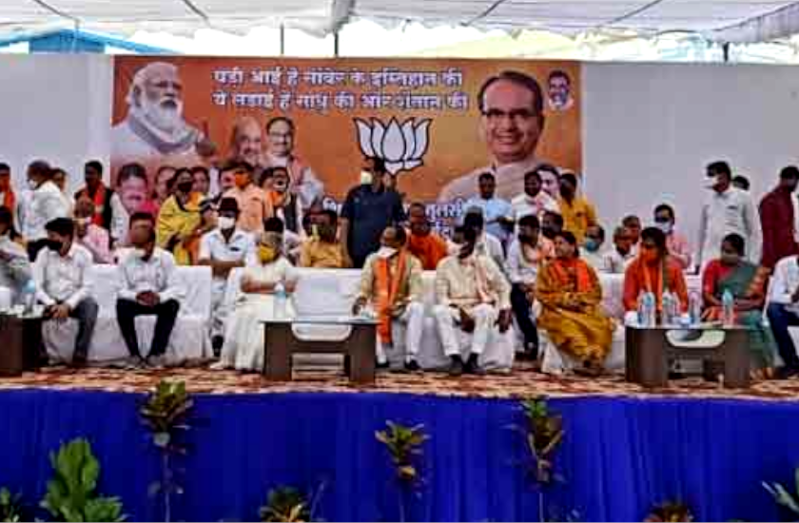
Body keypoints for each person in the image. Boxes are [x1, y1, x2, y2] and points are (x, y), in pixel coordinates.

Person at [439, 71, 550, 201]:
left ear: (540, 123)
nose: (508, 126)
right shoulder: (457, 193)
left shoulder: (561, 185)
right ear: (482, 122)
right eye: (496, 114)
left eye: (521, 114)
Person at [214, 230, 298, 372]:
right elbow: (245, 286)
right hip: (251, 299)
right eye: (259, 245)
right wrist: (274, 285)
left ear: (276, 248)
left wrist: (258, 286)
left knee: (264, 313)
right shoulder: (252, 263)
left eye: (265, 245)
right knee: (244, 313)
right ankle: (240, 360)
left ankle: (263, 361)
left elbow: (289, 288)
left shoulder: (284, 264)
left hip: (276, 301)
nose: (261, 248)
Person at [434, 226, 512, 376]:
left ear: (470, 243)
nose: (452, 245)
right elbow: (441, 296)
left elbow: (503, 287)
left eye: (458, 241)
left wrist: (505, 308)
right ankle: (455, 358)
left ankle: (473, 359)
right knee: (439, 311)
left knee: (486, 310)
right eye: (452, 241)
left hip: (478, 306)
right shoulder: (444, 264)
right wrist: (460, 311)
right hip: (455, 308)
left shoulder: (485, 262)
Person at [536, 231, 613, 376]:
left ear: (572, 246)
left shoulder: (585, 267)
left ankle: (596, 358)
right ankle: (587, 358)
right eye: (555, 243)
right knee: (567, 325)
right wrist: (566, 299)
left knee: (603, 324)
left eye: (561, 243)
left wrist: (580, 300)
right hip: (557, 310)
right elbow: (541, 293)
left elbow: (596, 292)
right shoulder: (547, 269)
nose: (557, 247)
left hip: (583, 308)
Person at [111, 61, 214, 167]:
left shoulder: (193, 140)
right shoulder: (115, 140)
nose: (171, 92)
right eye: (161, 85)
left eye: (177, 87)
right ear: (138, 93)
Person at [116, 213, 184, 367]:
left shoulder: (166, 257)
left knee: (172, 304)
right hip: (136, 300)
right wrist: (136, 296)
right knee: (121, 305)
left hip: (158, 301)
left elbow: (176, 287)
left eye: (142, 246)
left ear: (152, 243)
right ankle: (134, 354)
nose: (138, 250)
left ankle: (156, 353)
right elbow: (120, 289)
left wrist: (160, 297)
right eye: (136, 246)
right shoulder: (125, 258)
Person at [353, 226, 425, 371]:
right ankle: (381, 359)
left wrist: (399, 304)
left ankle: (411, 358)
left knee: (418, 308)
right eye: (382, 239)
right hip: (377, 306)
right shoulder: (373, 259)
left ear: (400, 242)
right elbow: (364, 285)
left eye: (388, 240)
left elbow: (416, 292)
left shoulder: (412, 262)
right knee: (361, 311)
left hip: (400, 307)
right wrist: (361, 298)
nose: (383, 243)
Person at [702, 233, 775, 375]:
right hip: (719, 307)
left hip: (745, 308)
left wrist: (745, 305)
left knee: (757, 319)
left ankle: (764, 366)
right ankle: (751, 367)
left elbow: (759, 300)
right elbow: (707, 295)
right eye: (723, 250)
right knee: (749, 320)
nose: (724, 254)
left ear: (740, 253)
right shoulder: (713, 266)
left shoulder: (751, 270)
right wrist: (725, 305)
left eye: (729, 251)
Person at [34, 217, 98, 367]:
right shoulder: (44, 253)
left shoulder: (84, 255)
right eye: (48, 236)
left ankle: (80, 355)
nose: (49, 240)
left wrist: (68, 305)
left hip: (74, 302)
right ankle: (41, 355)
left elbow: (87, 287)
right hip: (50, 301)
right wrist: (51, 304)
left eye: (53, 236)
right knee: (31, 308)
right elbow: (37, 286)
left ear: (67, 237)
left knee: (91, 306)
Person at [198, 197, 256, 353]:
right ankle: (213, 343)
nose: (225, 218)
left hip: (237, 285)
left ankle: (230, 344)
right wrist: (235, 264)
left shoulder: (248, 239)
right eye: (222, 214)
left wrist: (216, 264)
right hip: (212, 283)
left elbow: (249, 266)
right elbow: (203, 264)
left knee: (233, 308)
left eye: (229, 215)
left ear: (237, 216)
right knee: (210, 306)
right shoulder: (208, 238)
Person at [340, 157, 405, 269]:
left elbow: (401, 227)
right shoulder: (354, 193)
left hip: (384, 258)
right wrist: (345, 254)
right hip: (356, 257)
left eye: (367, 170)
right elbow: (344, 224)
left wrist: (398, 254)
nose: (363, 173)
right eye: (363, 170)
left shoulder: (393, 196)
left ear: (379, 173)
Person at [698, 161, 761, 270]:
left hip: (736, 259)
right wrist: (698, 261)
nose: (707, 179)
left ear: (723, 176)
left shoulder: (744, 197)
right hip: (710, 258)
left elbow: (755, 232)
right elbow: (701, 232)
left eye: (710, 175)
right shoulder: (707, 199)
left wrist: (753, 261)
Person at [506, 214, 554, 357]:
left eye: (525, 230)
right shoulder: (515, 246)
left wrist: (538, 287)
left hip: (545, 285)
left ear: (536, 230)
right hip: (522, 284)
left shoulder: (548, 245)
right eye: (520, 230)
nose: (521, 233)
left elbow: (552, 269)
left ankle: (546, 345)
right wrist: (521, 284)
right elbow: (511, 271)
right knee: (519, 304)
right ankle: (532, 339)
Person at [622, 227, 689, 315]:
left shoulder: (673, 267)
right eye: (642, 246)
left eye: (649, 247)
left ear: (661, 249)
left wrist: (673, 312)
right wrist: (647, 312)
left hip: (667, 315)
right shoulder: (634, 267)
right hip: (643, 315)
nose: (643, 251)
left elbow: (684, 300)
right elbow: (628, 300)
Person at [263, 116, 324, 209]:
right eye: (276, 135)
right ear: (267, 137)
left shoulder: (300, 165)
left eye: (287, 135)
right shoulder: (257, 163)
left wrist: (296, 191)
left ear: (293, 137)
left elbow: (317, 190)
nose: (282, 140)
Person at [156, 167, 204, 265]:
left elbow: (212, 223)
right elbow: (162, 230)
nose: (186, 181)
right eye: (182, 179)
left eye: (188, 179)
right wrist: (180, 236)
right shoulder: (169, 204)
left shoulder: (200, 199)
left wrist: (194, 233)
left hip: (197, 248)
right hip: (174, 251)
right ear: (175, 183)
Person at [24, 161, 70, 261]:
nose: (27, 180)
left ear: (39, 175)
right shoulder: (41, 192)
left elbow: (57, 221)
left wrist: (51, 244)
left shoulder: (48, 193)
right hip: (35, 244)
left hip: (43, 244)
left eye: (29, 176)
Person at [109, 162, 159, 245]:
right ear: (118, 190)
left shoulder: (154, 214)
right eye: (129, 188)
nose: (135, 193)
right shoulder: (107, 213)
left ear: (147, 191)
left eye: (140, 189)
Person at [759, 166, 799, 269]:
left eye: (796, 180)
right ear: (782, 179)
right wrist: (770, 259)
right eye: (791, 179)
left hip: (792, 251)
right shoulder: (770, 200)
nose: (795, 183)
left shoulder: (793, 200)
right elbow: (767, 232)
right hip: (775, 254)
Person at [767, 254, 799, 379]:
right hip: (791, 311)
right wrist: (793, 297)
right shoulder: (784, 264)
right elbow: (775, 296)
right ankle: (792, 363)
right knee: (773, 309)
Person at [222, 160, 273, 235]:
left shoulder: (262, 194)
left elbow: (269, 220)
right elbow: (223, 220)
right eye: (235, 173)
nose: (238, 176)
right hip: (236, 237)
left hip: (257, 236)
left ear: (250, 174)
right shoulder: (227, 196)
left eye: (241, 173)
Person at [463, 172, 513, 246]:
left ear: (494, 186)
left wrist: (504, 221)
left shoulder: (504, 205)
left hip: (499, 244)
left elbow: (512, 227)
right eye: (483, 186)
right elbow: (461, 224)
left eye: (490, 186)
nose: (486, 189)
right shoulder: (469, 204)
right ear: (479, 186)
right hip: (476, 244)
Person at [0, 207, 31, 303]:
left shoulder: (15, 249)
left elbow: (26, 278)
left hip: (7, 302)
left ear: (4, 225)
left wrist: (8, 260)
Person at [557, 172, 597, 244]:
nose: (562, 188)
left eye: (564, 185)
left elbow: (593, 226)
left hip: (581, 243)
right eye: (560, 186)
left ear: (574, 186)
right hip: (562, 244)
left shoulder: (585, 205)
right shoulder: (555, 205)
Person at [406, 202, 448, 271]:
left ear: (425, 218)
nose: (417, 220)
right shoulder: (402, 240)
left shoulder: (438, 242)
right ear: (408, 218)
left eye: (420, 216)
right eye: (414, 216)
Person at [75, 161, 114, 231]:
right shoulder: (78, 195)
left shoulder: (111, 195)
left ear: (100, 176)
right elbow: (74, 217)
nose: (88, 176)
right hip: (82, 234)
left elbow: (117, 220)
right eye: (86, 173)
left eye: (92, 173)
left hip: (104, 235)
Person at [265, 166, 303, 236]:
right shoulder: (266, 198)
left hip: (292, 238)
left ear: (287, 180)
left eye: (282, 176)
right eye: (276, 177)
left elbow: (299, 223)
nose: (279, 179)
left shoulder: (294, 199)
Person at [654, 204, 692, 270]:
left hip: (675, 273)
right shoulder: (649, 238)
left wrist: (670, 253)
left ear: (672, 220)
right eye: (658, 219)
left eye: (664, 219)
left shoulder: (680, 238)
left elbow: (686, 262)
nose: (661, 222)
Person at [73, 198, 112, 264]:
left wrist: (85, 238)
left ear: (93, 214)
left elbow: (104, 258)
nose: (84, 206)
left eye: (88, 205)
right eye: (81, 204)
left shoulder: (102, 232)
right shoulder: (69, 231)